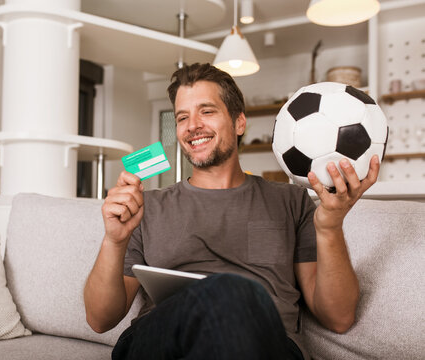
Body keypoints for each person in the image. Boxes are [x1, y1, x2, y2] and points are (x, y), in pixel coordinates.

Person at [84, 63, 380, 360]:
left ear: (239, 123)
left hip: (265, 343)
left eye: (207, 111)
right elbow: (100, 320)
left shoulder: (291, 201)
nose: (192, 126)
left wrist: (330, 227)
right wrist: (114, 240)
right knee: (225, 292)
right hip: (162, 337)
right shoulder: (145, 207)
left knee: (232, 293)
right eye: (182, 117)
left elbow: (339, 318)